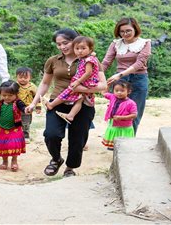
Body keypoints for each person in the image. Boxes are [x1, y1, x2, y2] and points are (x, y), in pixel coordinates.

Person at [25, 28, 107, 178]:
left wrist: (82, 88)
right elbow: (44, 84)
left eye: (66, 43)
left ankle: (70, 167)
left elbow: (103, 85)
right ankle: (56, 159)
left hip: (83, 103)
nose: (62, 47)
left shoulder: (90, 60)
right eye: (59, 44)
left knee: (78, 138)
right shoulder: (53, 61)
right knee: (51, 134)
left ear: (75, 41)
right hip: (57, 101)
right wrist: (33, 103)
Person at [101, 17, 151, 135]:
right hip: (121, 81)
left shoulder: (145, 43)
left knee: (134, 110)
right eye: (122, 31)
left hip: (138, 78)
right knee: (117, 109)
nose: (125, 34)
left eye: (128, 30)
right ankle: (114, 138)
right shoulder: (116, 44)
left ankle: (129, 139)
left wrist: (120, 74)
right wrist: (96, 76)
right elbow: (106, 62)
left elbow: (139, 63)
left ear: (135, 29)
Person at [44, 36, 100, 123]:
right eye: (77, 48)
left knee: (67, 92)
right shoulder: (85, 58)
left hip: (85, 82)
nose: (80, 51)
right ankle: (71, 115)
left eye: (83, 48)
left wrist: (78, 82)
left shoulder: (89, 60)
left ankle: (51, 105)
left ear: (90, 49)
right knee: (79, 99)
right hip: (85, 82)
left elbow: (88, 73)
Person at [0, 81, 27, 172]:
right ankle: (4, 162)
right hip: (1, 128)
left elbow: (23, 108)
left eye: (10, 95)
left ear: (16, 94)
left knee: (13, 145)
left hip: (15, 129)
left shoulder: (18, 103)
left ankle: (14, 161)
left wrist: (26, 110)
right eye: (4, 95)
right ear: (0, 94)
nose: (7, 97)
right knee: (3, 146)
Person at [101, 80, 137, 150]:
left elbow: (134, 115)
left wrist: (121, 117)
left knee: (123, 145)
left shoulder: (131, 103)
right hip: (113, 124)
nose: (119, 93)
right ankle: (113, 146)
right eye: (116, 90)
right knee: (114, 137)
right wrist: (107, 85)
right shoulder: (112, 97)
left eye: (122, 90)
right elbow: (103, 93)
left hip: (125, 126)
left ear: (129, 91)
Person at [16, 67, 41, 142]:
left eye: (25, 77)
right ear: (16, 77)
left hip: (28, 108)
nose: (23, 79)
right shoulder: (15, 86)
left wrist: (38, 107)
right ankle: (16, 135)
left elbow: (37, 97)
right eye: (20, 77)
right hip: (16, 108)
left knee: (26, 122)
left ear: (30, 77)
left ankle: (25, 136)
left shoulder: (32, 87)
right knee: (16, 122)